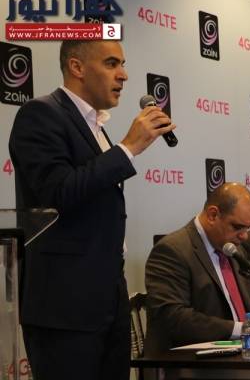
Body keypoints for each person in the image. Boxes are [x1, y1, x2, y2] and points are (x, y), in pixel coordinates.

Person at [8, 40, 175, 380]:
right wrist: (127, 148)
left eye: (123, 64)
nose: (123, 75)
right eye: (112, 63)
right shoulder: (40, 114)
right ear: (77, 67)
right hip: (65, 309)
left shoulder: (95, 126)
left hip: (108, 304)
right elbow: (56, 193)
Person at [145, 182, 250, 353]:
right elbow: (173, 316)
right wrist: (241, 328)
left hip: (240, 353)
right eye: (237, 227)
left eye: (248, 228)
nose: (244, 236)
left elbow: (242, 300)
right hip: (189, 359)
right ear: (212, 215)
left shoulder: (233, 248)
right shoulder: (172, 250)